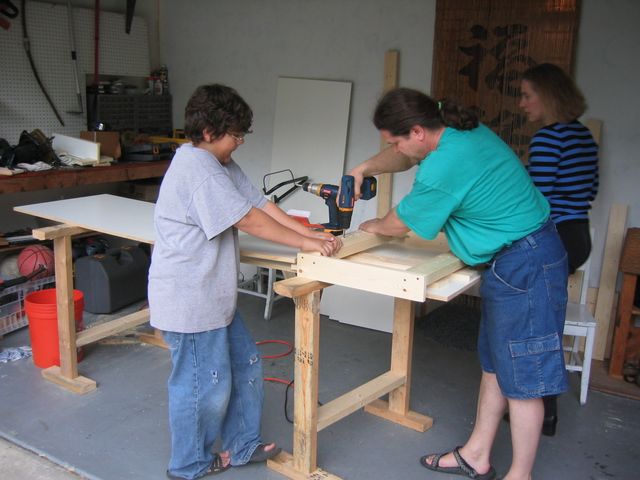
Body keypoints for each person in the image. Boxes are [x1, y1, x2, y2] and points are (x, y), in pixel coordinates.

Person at [349, 87, 568, 480]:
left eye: (395, 141)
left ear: (417, 132)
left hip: (527, 262)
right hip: (515, 259)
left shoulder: (444, 165)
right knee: (497, 365)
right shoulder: (452, 128)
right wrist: (365, 168)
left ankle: (520, 476)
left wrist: (374, 225)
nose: (394, 149)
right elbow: (404, 156)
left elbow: (399, 224)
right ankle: (476, 455)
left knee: (524, 379)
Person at [148, 84, 341, 480]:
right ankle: (188, 465)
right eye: (235, 135)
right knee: (203, 386)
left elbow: (260, 203)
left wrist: (311, 232)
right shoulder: (197, 170)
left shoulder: (219, 163)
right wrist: (307, 243)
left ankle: (242, 444)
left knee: (245, 363)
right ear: (208, 132)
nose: (240, 142)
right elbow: (250, 221)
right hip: (190, 301)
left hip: (213, 297)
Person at [519, 63, 599, 436]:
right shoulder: (582, 135)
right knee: (547, 323)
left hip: (555, 237)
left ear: (547, 96)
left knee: (537, 328)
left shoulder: (549, 138)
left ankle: (542, 411)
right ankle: (541, 408)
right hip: (578, 235)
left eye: (527, 95)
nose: (522, 104)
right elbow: (590, 189)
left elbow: (537, 201)